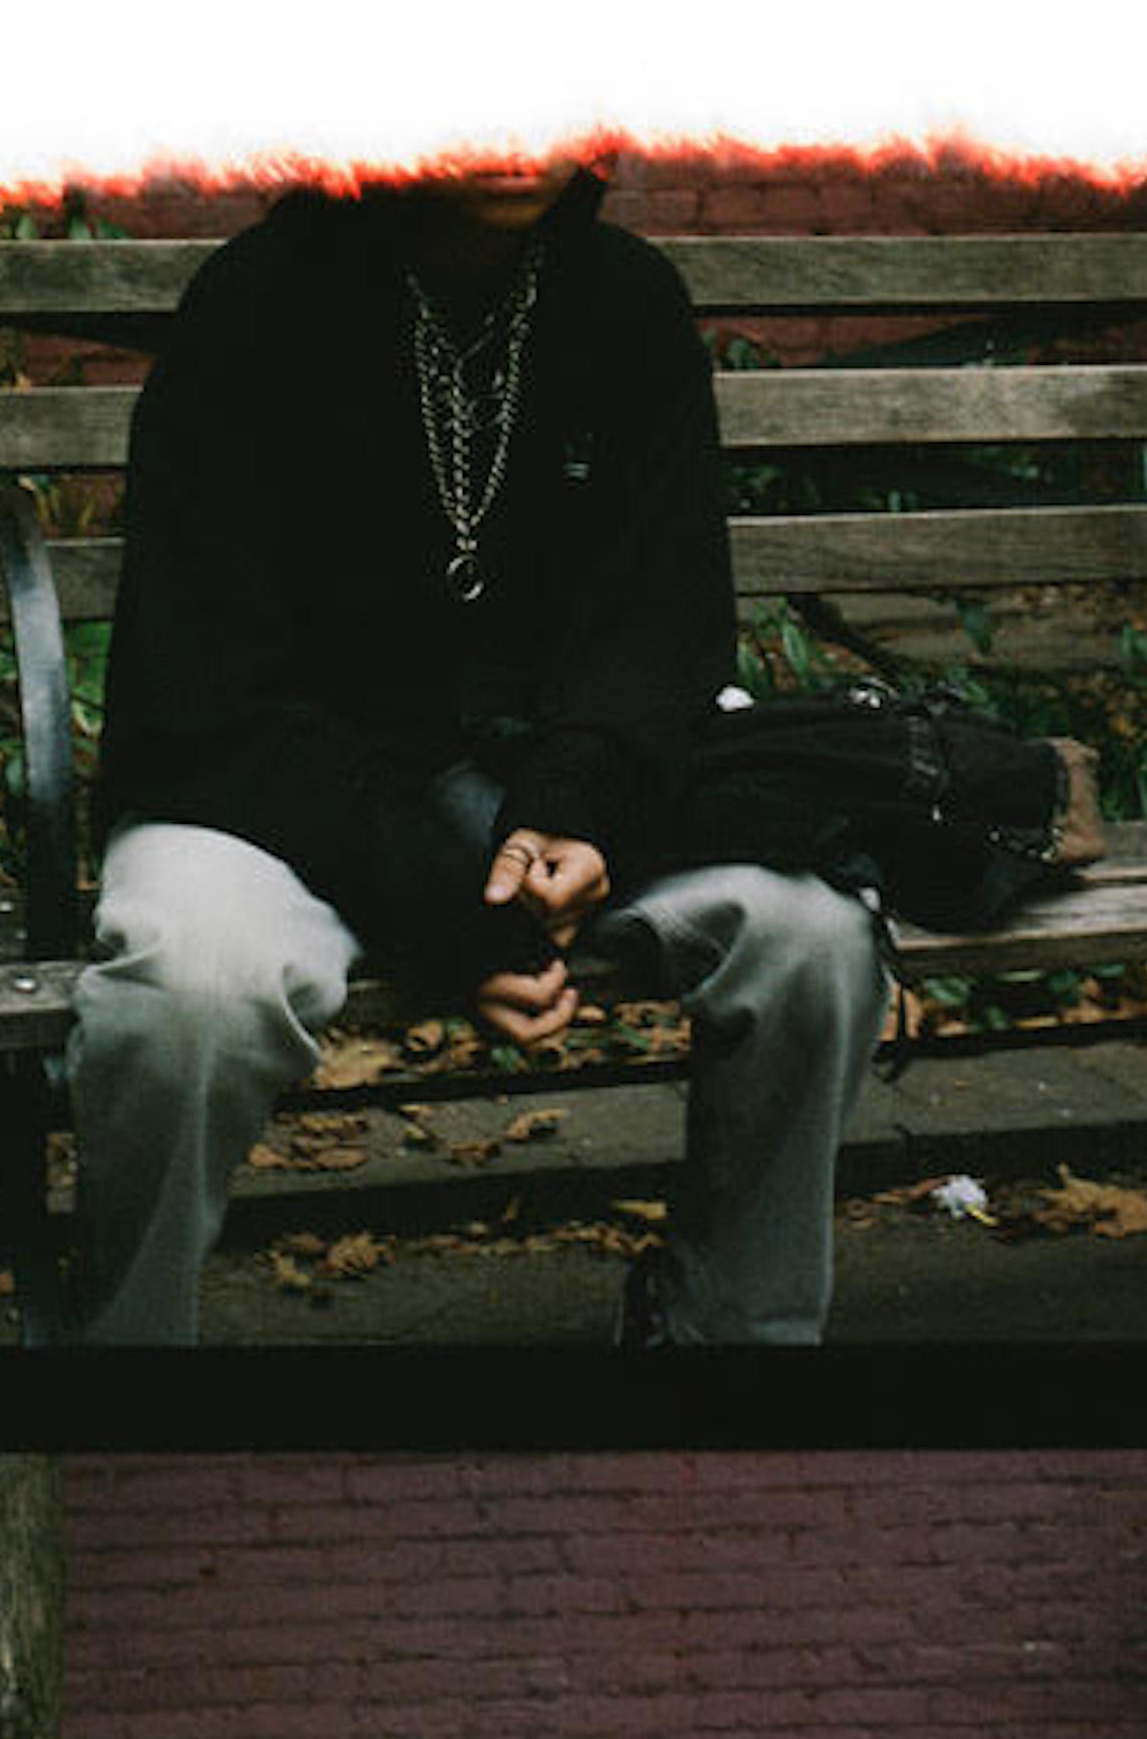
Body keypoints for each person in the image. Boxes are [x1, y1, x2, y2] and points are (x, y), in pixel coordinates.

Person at [59, 153, 889, 1345]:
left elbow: (662, 618)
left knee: (815, 937)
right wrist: (446, 900)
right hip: (266, 797)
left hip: (548, 796)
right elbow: (209, 688)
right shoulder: (256, 305)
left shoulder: (626, 301)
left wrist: (574, 801)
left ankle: (729, 1333)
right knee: (184, 993)